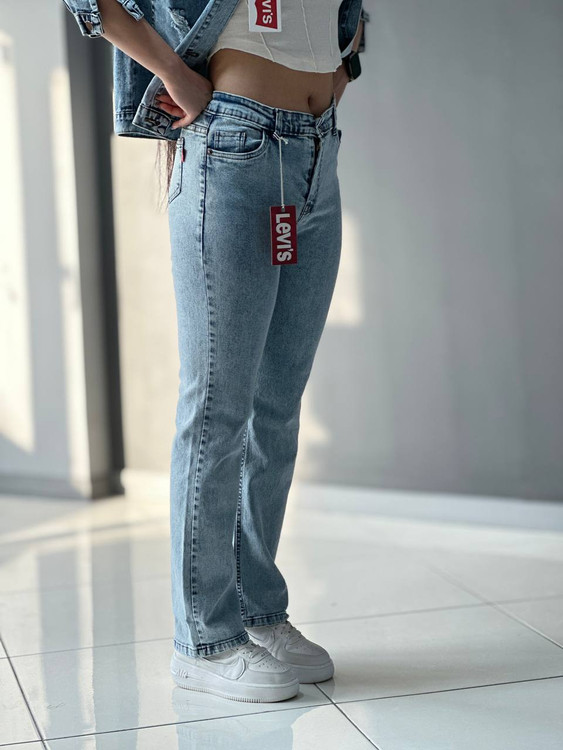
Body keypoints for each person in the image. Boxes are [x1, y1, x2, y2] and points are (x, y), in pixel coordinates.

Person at [61, 0, 367, 703]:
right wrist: (174, 73)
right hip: (234, 143)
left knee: (276, 408)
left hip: (318, 147)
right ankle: (203, 640)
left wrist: (341, 66)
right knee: (217, 409)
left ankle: (258, 612)